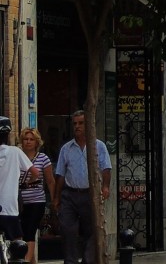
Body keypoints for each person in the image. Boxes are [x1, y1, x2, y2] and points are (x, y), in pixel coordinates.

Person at [54, 110, 110, 264]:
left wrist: (105, 187)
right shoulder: (66, 148)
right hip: (70, 194)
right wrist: (57, 198)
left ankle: (88, 260)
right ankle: (70, 260)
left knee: (91, 230)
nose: (77, 126)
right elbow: (60, 174)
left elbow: (106, 169)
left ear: (89, 125)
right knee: (67, 228)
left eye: (81, 123)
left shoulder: (99, 146)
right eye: (75, 124)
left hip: (90, 194)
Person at [18, 126, 55, 264]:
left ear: (36, 142)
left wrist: (54, 201)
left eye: (31, 139)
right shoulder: (18, 157)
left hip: (37, 201)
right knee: (22, 232)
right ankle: (32, 261)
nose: (28, 142)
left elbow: (50, 181)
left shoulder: (43, 158)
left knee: (30, 230)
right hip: (21, 202)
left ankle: (26, 260)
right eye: (25, 139)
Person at [0, 117, 36, 251]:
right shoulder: (15, 152)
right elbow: (35, 172)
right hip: (10, 207)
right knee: (18, 243)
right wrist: (24, 184)